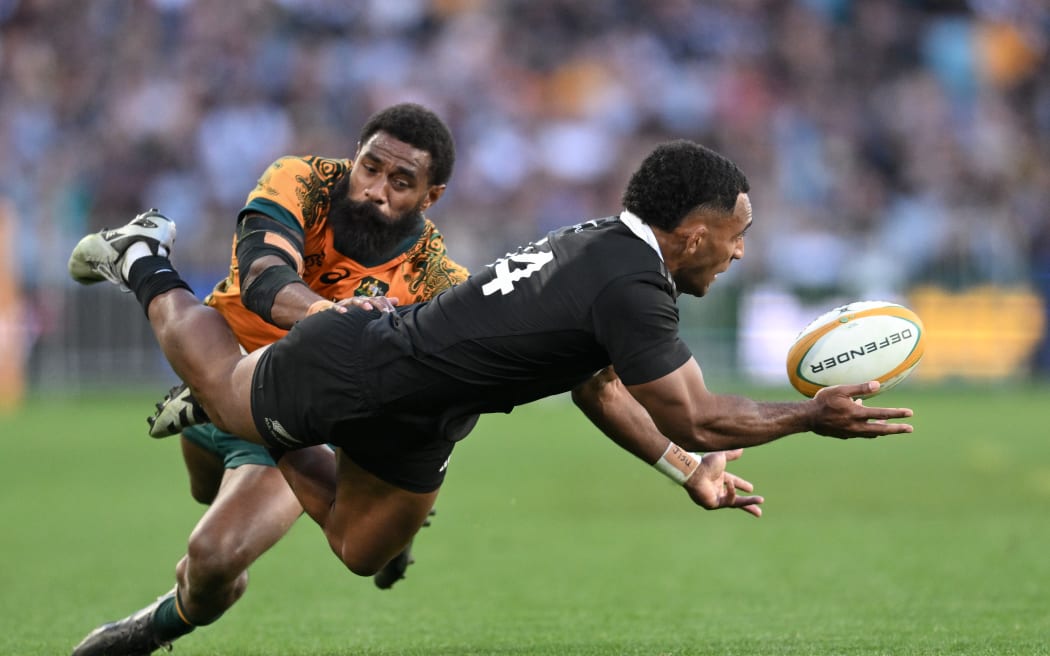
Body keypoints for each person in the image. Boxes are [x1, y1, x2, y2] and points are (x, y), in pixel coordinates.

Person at [68, 139, 913, 650]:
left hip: (428, 419)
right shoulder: (629, 281)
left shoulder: (609, 255)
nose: (737, 253)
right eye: (737, 236)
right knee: (224, 388)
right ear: (692, 232)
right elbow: (694, 408)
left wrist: (683, 468)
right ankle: (145, 259)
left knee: (362, 552)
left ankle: (272, 437)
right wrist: (811, 415)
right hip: (365, 359)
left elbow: (599, 389)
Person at [70, 103, 468, 656]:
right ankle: (139, 253)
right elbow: (263, 276)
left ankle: (153, 628)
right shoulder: (301, 179)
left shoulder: (436, 278)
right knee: (203, 490)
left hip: (291, 421)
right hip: (217, 365)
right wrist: (323, 317)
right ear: (355, 156)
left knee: (212, 558)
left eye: (401, 182)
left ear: (431, 197)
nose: (377, 190)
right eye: (370, 167)